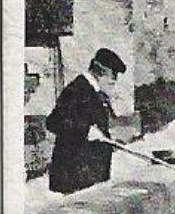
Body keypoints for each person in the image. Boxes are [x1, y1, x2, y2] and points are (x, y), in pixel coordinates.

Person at [45, 47, 125, 194]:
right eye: (111, 81)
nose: (113, 84)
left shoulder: (94, 92)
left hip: (89, 176)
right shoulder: (77, 89)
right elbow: (54, 122)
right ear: (101, 73)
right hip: (74, 176)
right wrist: (86, 131)